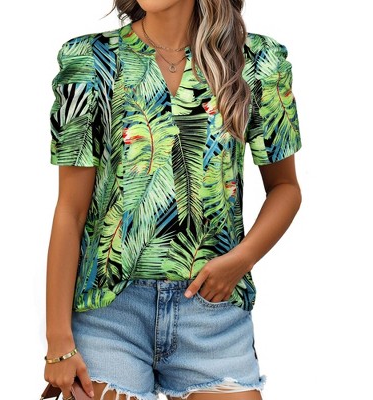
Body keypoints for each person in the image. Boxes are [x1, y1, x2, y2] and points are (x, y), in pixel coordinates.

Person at [44, 1, 302, 399]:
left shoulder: (256, 61)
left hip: (213, 316)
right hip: (111, 316)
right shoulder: (92, 61)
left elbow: (285, 188)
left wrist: (242, 259)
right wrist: (59, 342)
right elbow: (70, 211)